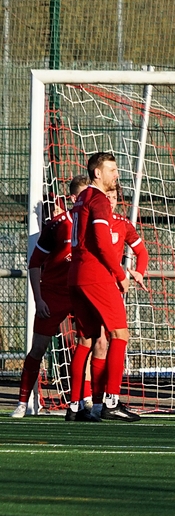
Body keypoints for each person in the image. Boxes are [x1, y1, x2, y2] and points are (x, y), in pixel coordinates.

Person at [10, 174, 89, 418]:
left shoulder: (96, 223)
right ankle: (22, 402)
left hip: (82, 292)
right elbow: (35, 263)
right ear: (73, 198)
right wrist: (39, 299)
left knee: (89, 345)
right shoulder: (58, 224)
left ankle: (86, 400)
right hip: (54, 294)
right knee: (38, 348)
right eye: (85, 195)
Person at [66, 152, 131, 422]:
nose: (116, 175)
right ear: (97, 173)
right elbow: (102, 242)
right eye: (112, 170)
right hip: (95, 274)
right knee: (120, 334)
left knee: (86, 339)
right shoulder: (99, 199)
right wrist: (120, 274)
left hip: (76, 274)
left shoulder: (82, 198)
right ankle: (111, 402)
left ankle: (75, 406)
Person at [89, 181, 148, 421]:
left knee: (104, 340)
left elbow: (141, 251)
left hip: (112, 289)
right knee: (97, 342)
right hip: (95, 285)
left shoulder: (122, 224)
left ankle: (101, 402)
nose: (110, 201)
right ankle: (98, 401)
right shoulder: (92, 222)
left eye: (113, 197)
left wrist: (139, 272)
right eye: (107, 196)